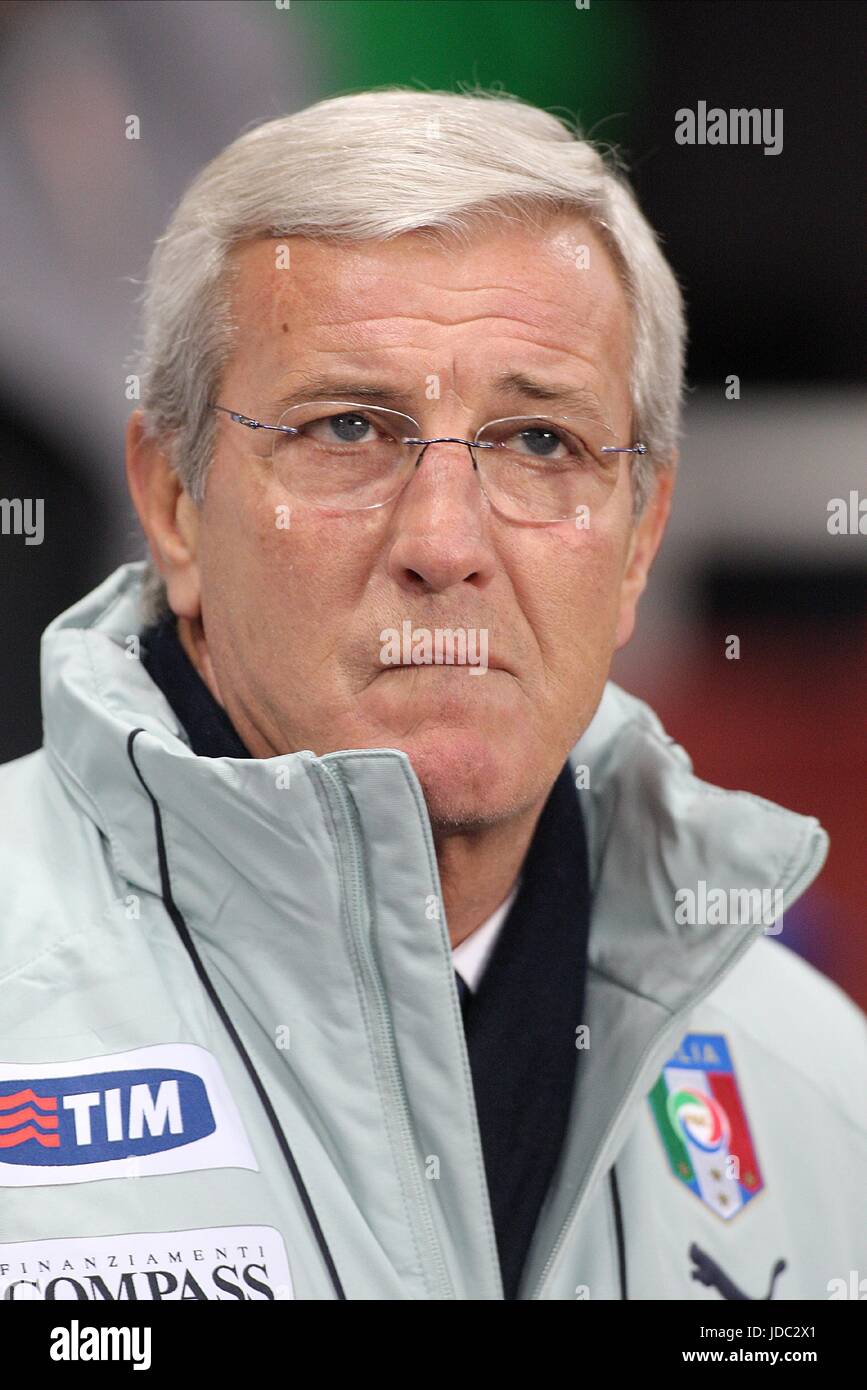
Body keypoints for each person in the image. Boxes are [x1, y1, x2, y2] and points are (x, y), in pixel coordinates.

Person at [0, 88, 863, 1302]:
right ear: (175, 502)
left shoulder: (819, 1085)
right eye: (348, 426)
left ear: (638, 538)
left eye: (539, 443)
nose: (446, 539)